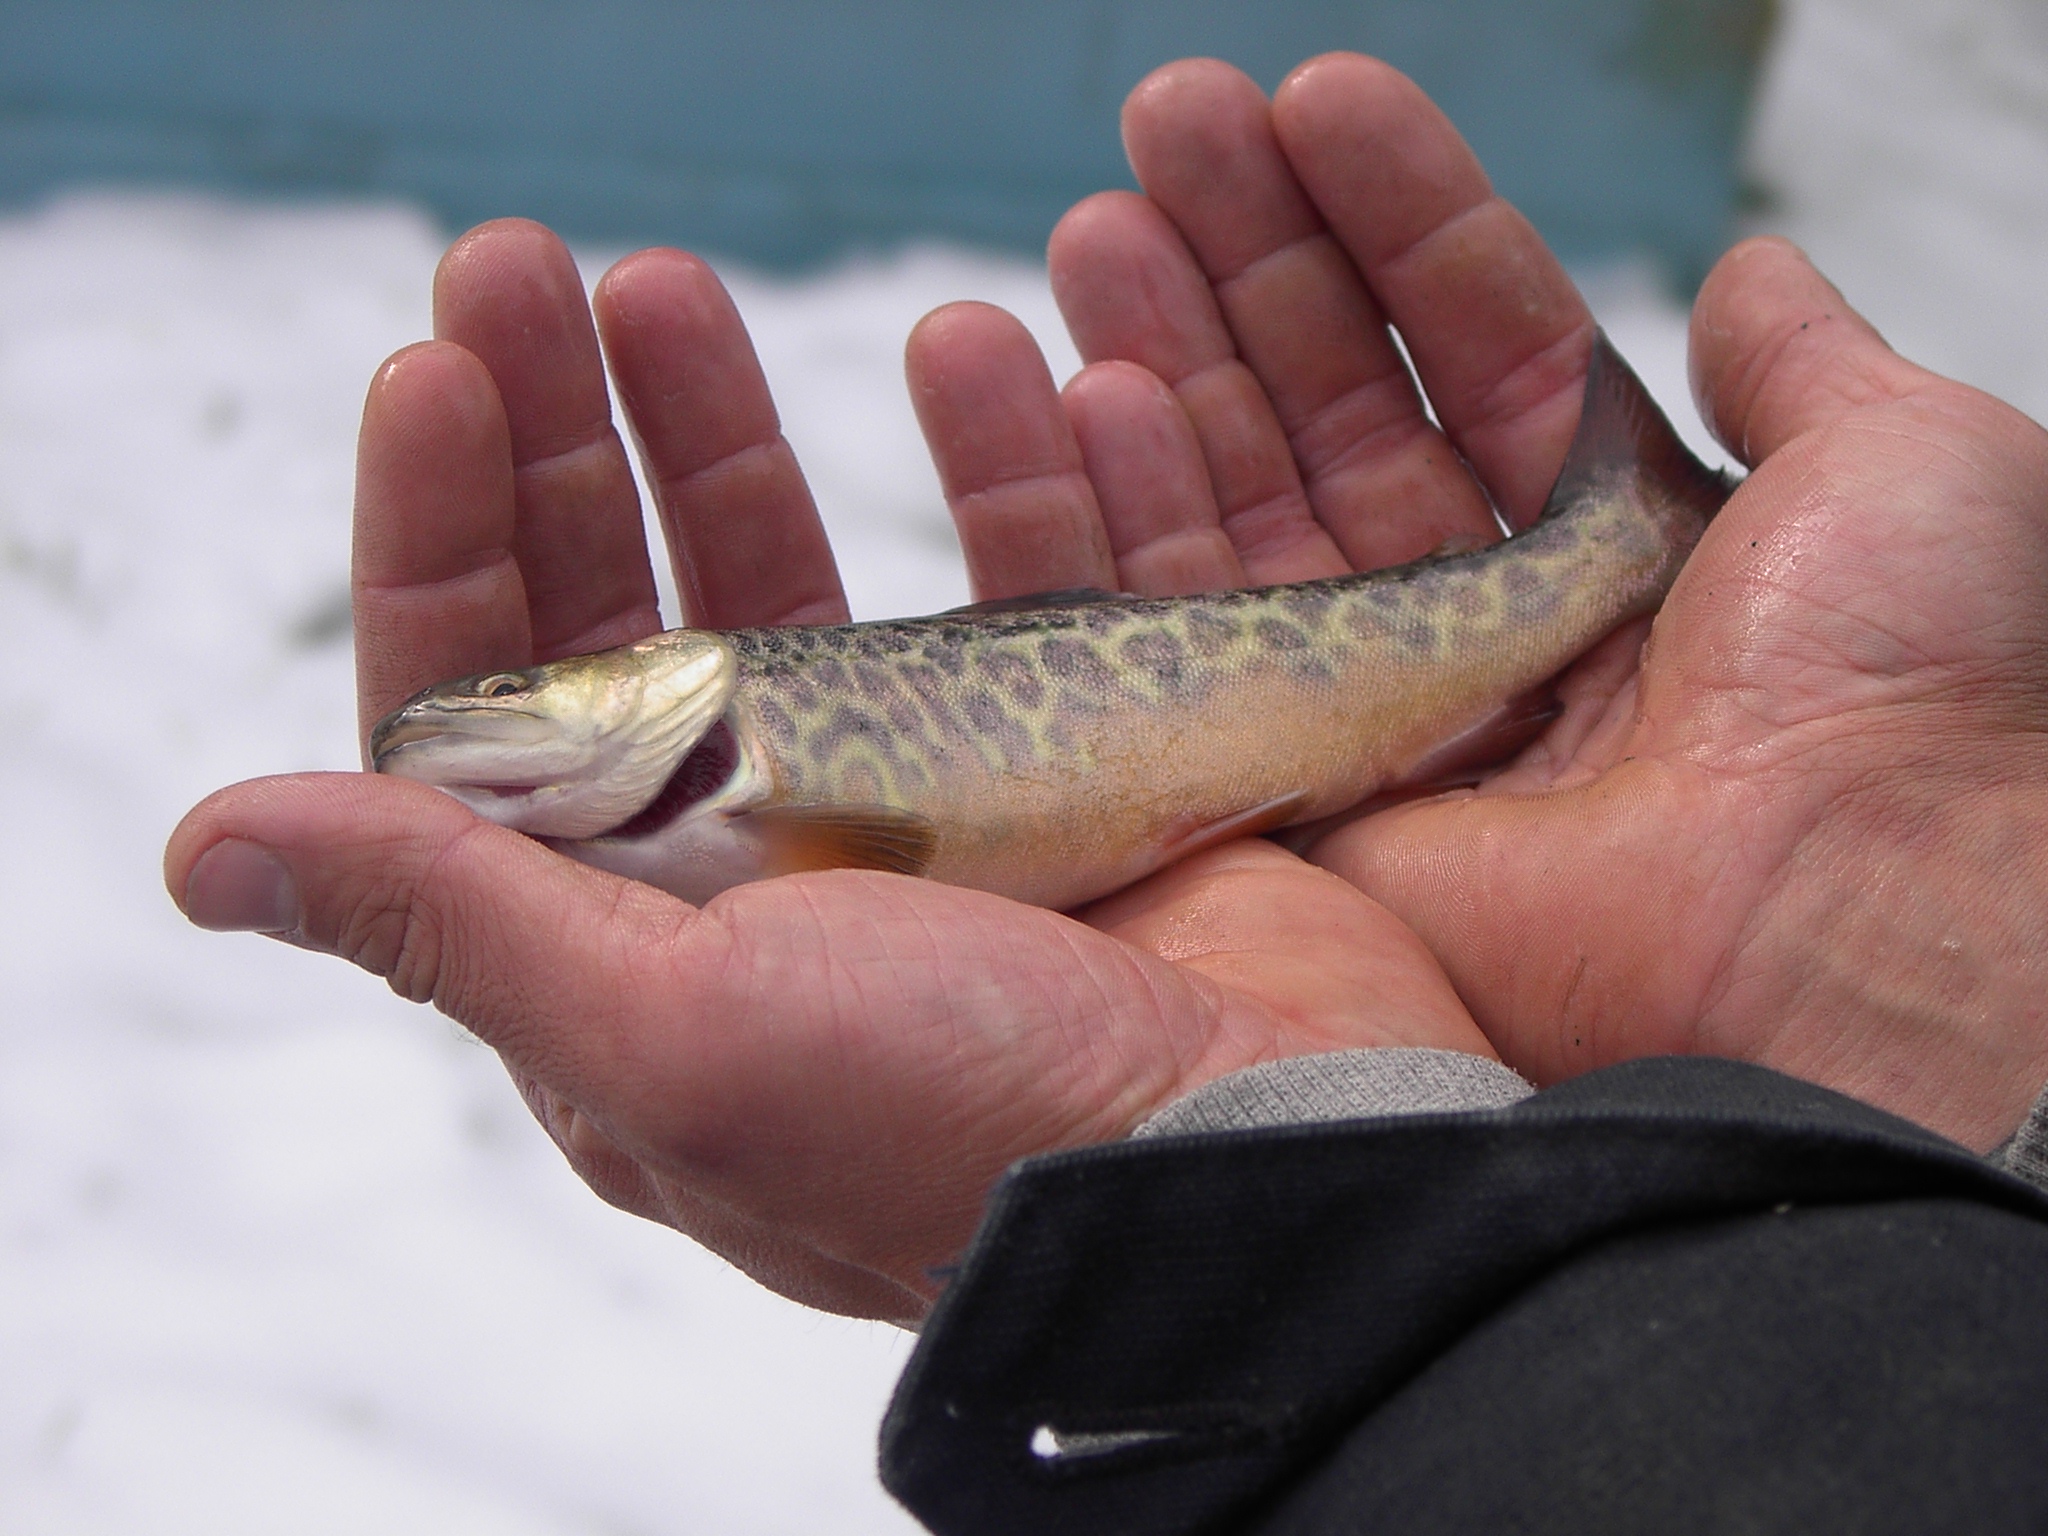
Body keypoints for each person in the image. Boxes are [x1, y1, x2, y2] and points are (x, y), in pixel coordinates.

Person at [166, 53, 2048, 1528]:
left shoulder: (731, 729)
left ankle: (1612, 543)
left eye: (522, 692)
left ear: (643, 688)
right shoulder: (701, 793)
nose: (483, 719)